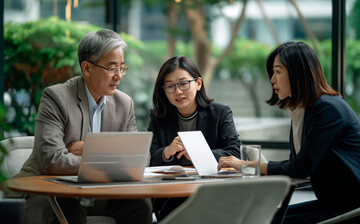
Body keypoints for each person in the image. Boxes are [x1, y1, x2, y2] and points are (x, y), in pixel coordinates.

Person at [7, 29, 152, 224]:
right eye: (111, 68)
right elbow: (52, 160)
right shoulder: (56, 97)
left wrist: (88, 149)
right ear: (87, 68)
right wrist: (113, 160)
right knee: (67, 203)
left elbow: (140, 158)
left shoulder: (124, 103)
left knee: (140, 203)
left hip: (96, 191)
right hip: (46, 188)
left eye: (122, 68)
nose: (118, 76)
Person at [218, 41, 360, 224]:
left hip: (350, 208)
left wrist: (246, 165)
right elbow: (300, 167)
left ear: (297, 73)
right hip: (332, 204)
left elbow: (300, 167)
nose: (272, 80)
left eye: (277, 71)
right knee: (261, 217)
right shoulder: (301, 110)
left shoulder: (327, 108)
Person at [148, 56, 241, 221]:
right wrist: (166, 152)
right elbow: (149, 158)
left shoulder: (220, 113)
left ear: (198, 83)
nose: (178, 92)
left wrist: (200, 154)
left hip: (212, 191)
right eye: (170, 86)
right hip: (171, 193)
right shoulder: (159, 117)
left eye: (184, 84)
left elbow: (234, 153)